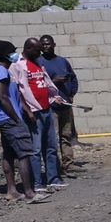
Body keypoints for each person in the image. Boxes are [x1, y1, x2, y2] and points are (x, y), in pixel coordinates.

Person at [0, 40, 48, 203]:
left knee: (9, 153)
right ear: (5, 54)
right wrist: (16, 119)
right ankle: (29, 193)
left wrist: (25, 111)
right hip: (8, 119)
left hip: (7, 118)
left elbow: (16, 96)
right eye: (13, 51)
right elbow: (3, 97)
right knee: (24, 154)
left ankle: (12, 191)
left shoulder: (6, 71)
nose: (16, 54)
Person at [14, 37, 65, 190]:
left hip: (46, 109)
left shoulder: (37, 63)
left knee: (50, 146)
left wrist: (54, 97)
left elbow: (45, 83)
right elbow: (20, 90)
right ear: (29, 48)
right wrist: (28, 110)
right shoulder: (19, 66)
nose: (40, 53)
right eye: (38, 50)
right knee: (35, 149)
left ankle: (53, 178)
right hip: (34, 112)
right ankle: (37, 182)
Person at [37, 34, 79, 177]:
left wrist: (71, 94)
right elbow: (38, 86)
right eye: (43, 44)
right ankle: (55, 168)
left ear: (54, 45)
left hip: (65, 106)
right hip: (51, 107)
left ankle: (69, 163)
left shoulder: (62, 61)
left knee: (66, 135)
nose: (45, 46)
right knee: (52, 138)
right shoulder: (38, 63)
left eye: (48, 44)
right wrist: (54, 82)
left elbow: (73, 78)